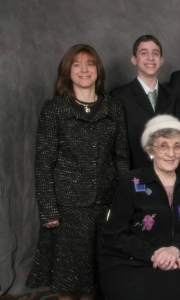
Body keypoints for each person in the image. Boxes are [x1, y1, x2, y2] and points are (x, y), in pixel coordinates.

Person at [26, 44, 129, 300]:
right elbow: (44, 163)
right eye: (77, 64)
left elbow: (121, 158)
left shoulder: (113, 108)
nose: (84, 69)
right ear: (67, 71)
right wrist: (48, 208)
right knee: (69, 279)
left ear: (98, 70)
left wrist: (126, 202)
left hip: (104, 206)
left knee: (95, 277)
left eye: (90, 63)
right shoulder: (54, 109)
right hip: (67, 208)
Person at [100, 115, 180, 300]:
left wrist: (174, 250)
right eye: (163, 145)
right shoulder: (130, 182)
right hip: (130, 261)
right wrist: (152, 255)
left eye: (177, 146)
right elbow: (115, 235)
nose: (171, 153)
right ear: (150, 149)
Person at [111, 35, 180, 170]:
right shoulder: (120, 96)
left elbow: (179, 141)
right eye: (144, 53)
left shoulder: (173, 96)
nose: (150, 58)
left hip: (168, 176)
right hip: (134, 175)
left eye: (155, 53)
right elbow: (116, 146)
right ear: (134, 59)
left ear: (161, 60)